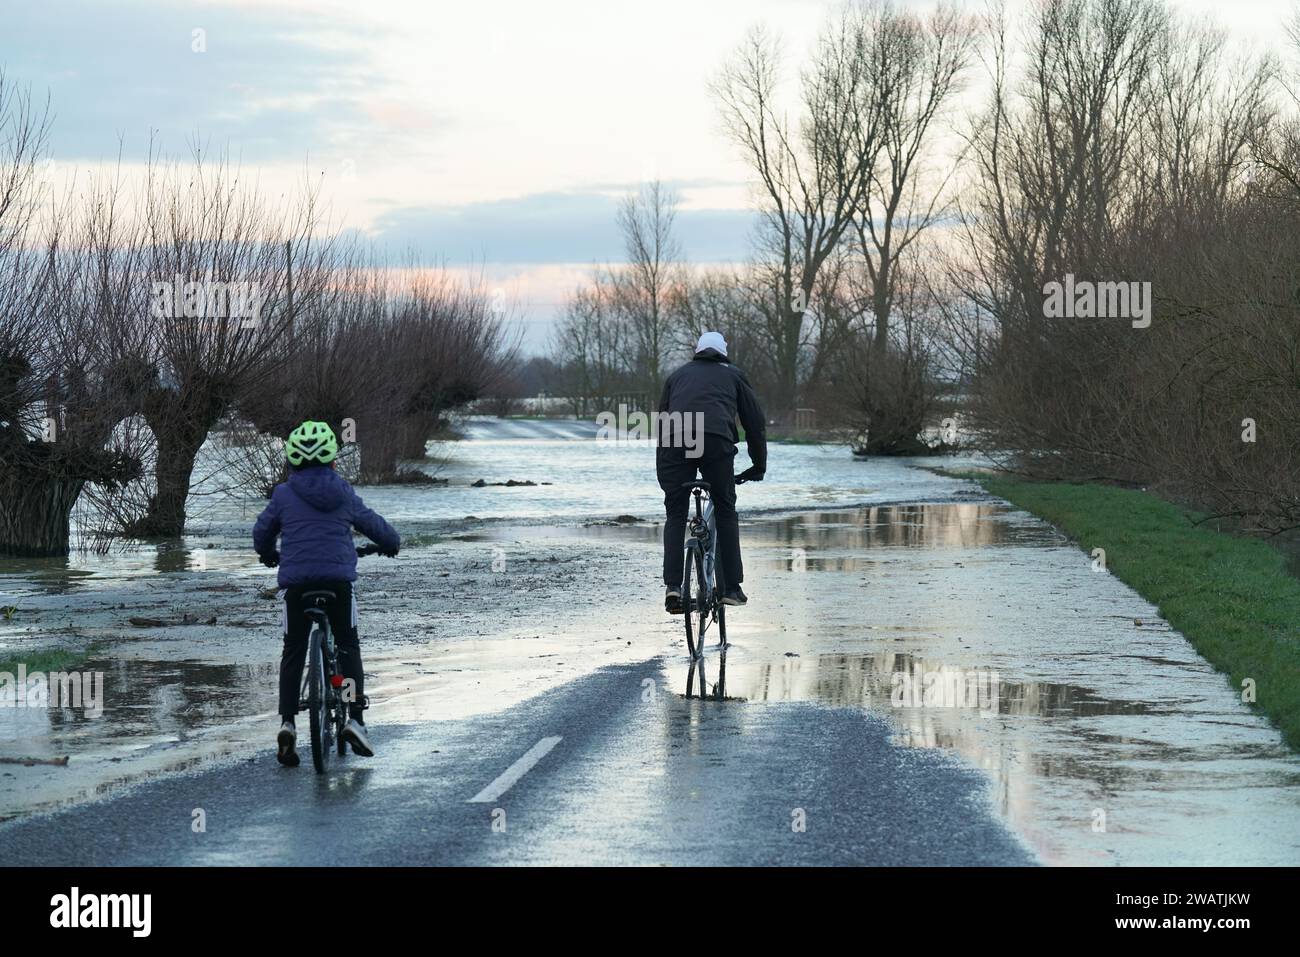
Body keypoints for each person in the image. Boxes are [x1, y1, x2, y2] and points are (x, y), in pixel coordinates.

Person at [252, 420, 400, 767]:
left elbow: (261, 533)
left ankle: (288, 723)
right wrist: (390, 544)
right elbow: (376, 526)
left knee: (293, 649)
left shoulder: (284, 494)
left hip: (297, 586)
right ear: (334, 459)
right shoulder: (344, 491)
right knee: (347, 645)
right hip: (337, 583)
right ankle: (355, 720)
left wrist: (268, 554)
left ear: (291, 461)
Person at [657, 331, 767, 613]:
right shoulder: (733, 375)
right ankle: (731, 588)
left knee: (675, 514)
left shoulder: (677, 376)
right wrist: (758, 464)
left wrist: (666, 478)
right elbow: (754, 423)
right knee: (725, 508)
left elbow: (662, 423)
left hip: (675, 442)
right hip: (715, 441)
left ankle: (673, 587)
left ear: (698, 351)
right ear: (723, 352)